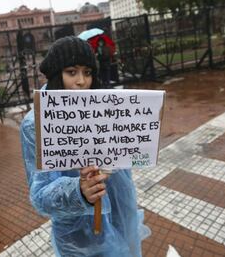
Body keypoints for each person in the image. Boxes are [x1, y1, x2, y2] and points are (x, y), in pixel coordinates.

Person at [20, 36, 148, 257]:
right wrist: (79, 191)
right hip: (78, 235)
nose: (81, 81)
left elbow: (124, 166)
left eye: (87, 72)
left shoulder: (105, 109)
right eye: (72, 72)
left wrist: (118, 159)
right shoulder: (36, 125)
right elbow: (40, 196)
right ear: (56, 75)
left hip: (119, 213)